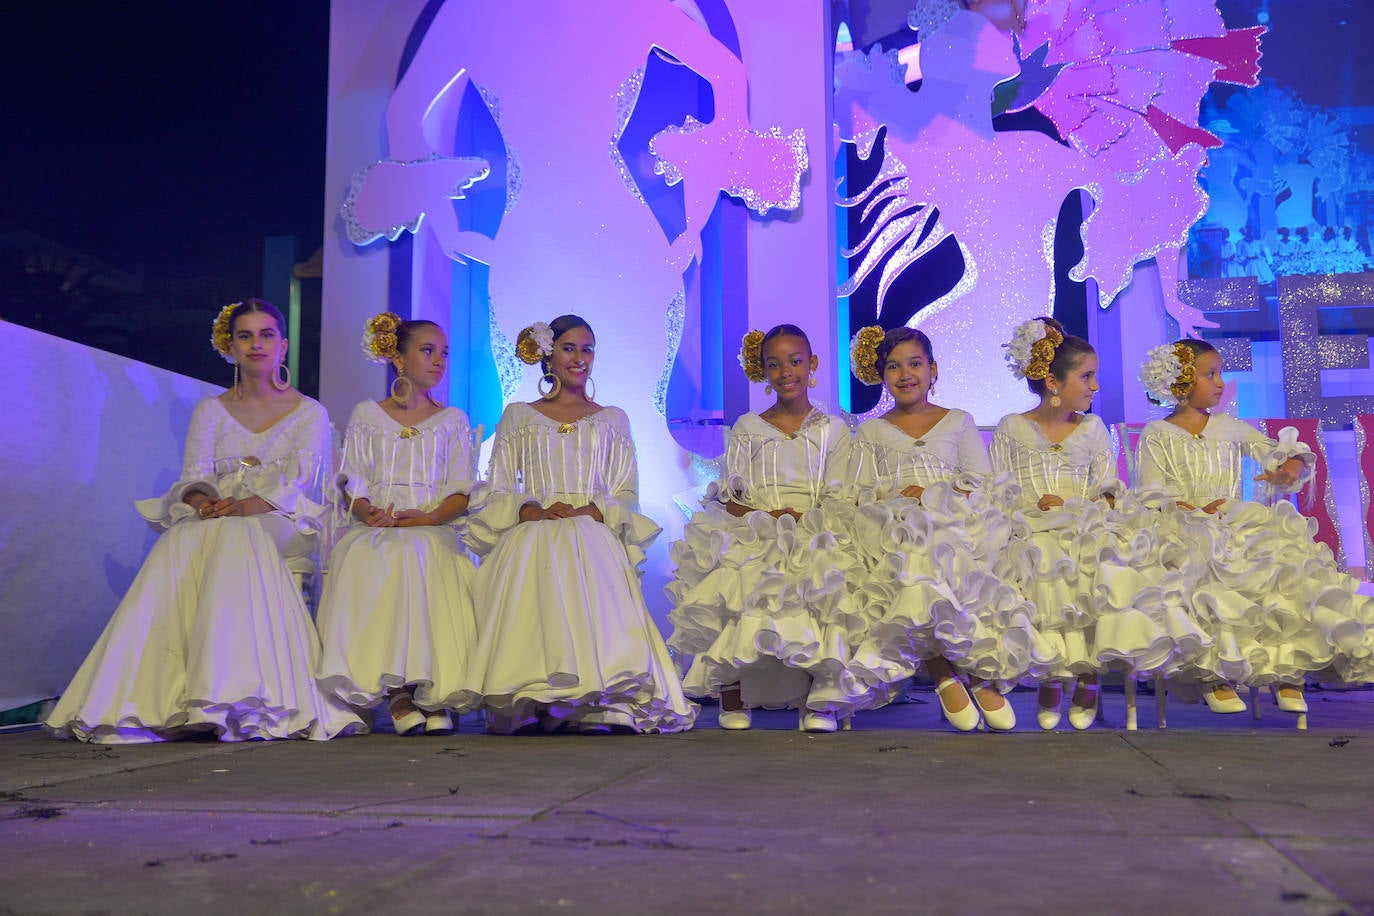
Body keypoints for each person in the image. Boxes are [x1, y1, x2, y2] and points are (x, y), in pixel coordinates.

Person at [46, 300, 362, 742]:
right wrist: (203, 502)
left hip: (280, 517)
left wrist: (242, 506)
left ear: (283, 345)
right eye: (245, 336)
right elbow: (194, 477)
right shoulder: (211, 410)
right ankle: (165, 695)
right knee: (182, 537)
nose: (256, 345)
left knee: (233, 534)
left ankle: (234, 696)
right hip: (221, 516)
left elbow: (299, 483)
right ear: (230, 346)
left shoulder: (309, 411)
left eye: (266, 334)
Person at [463, 315, 696, 734]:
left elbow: (625, 492)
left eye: (587, 349)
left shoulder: (612, 419)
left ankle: (597, 695)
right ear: (549, 354)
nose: (580, 358)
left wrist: (592, 510)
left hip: (589, 526)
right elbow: (496, 489)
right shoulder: (520, 416)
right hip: (535, 527)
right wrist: (530, 510)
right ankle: (534, 695)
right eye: (569, 348)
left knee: (586, 541)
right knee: (539, 550)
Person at [1136, 339, 1373, 713]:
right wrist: (1185, 505)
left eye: (1220, 373)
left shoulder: (1229, 427)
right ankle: (1215, 672)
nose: (1219, 382)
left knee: (1277, 562)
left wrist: (1287, 467)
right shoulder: (1157, 433)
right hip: (1182, 524)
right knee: (1202, 571)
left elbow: (1277, 452)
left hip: (1230, 517)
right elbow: (1150, 491)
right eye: (1209, 374)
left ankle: (1285, 669)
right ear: (1180, 379)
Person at [844, 326, 1056, 731]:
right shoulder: (870, 431)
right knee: (915, 553)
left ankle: (963, 670)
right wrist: (898, 496)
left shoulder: (958, 421)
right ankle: (949, 673)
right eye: (893, 366)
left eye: (915, 364)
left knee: (939, 549)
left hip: (956, 520)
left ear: (933, 369)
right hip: (894, 525)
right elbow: (861, 491)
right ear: (882, 375)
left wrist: (933, 493)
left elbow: (981, 480)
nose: (905, 374)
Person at [991, 317, 1190, 730]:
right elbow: (999, 490)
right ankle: (1051, 672)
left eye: (1094, 376)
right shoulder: (1012, 428)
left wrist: (1078, 503)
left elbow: (1106, 489)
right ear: (1053, 382)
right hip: (1030, 526)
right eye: (1086, 376)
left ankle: (1087, 674)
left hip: (1083, 523)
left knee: (1097, 562)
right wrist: (1034, 504)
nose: (1094, 386)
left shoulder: (1093, 428)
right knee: (1041, 562)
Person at [666, 324, 860, 732]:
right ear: (764, 371)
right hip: (757, 523)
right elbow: (732, 491)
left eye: (795, 361)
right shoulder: (748, 428)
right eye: (774, 364)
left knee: (821, 574)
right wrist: (763, 517)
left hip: (814, 524)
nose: (785, 372)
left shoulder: (833, 429)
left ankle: (820, 694)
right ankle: (732, 689)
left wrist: (804, 520)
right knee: (739, 574)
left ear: (812, 365)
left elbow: (841, 492)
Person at [315, 313, 480, 735]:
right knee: (370, 552)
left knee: (424, 552)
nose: (439, 360)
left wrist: (425, 517)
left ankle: (431, 687)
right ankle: (397, 690)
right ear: (399, 359)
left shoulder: (453, 421)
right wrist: (366, 510)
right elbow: (351, 479)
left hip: (431, 525)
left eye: (444, 353)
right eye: (427, 350)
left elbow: (461, 492)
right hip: (380, 526)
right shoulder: (368, 415)